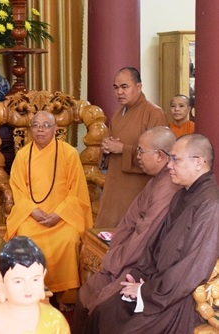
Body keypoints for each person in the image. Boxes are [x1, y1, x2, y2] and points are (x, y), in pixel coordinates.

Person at [87, 134, 219, 334]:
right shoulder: (182, 195)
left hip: (180, 299)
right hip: (156, 284)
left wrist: (145, 291)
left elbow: (191, 270)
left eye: (176, 159)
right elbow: (154, 246)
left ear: (199, 162)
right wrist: (140, 277)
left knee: (124, 328)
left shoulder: (211, 205)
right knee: (105, 309)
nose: (169, 165)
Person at [72, 126, 179, 331]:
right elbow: (130, 220)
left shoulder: (168, 186)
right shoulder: (156, 180)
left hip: (139, 264)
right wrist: (114, 251)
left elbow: (145, 235)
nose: (137, 156)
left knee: (102, 306)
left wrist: (115, 261)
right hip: (125, 253)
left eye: (140, 151)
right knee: (86, 292)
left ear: (159, 155)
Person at [5, 110, 93, 311]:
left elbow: (76, 190)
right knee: (25, 238)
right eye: (36, 125)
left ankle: (66, 295)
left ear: (55, 129)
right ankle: (34, 293)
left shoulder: (69, 153)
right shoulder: (22, 155)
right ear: (30, 129)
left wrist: (59, 214)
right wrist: (33, 211)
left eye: (46, 125)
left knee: (69, 239)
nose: (40, 130)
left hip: (62, 217)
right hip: (31, 216)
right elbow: (17, 189)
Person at [96, 67, 168, 228]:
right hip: (114, 186)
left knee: (129, 234)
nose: (119, 92)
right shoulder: (117, 114)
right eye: (116, 87)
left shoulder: (153, 113)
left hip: (136, 188)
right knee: (105, 234)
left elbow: (159, 157)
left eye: (124, 87)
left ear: (138, 87)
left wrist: (124, 149)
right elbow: (109, 147)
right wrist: (106, 148)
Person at [0, 235, 70, 334]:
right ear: (1, 281)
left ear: (43, 277)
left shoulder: (54, 319)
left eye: (35, 280)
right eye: (18, 281)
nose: (28, 288)